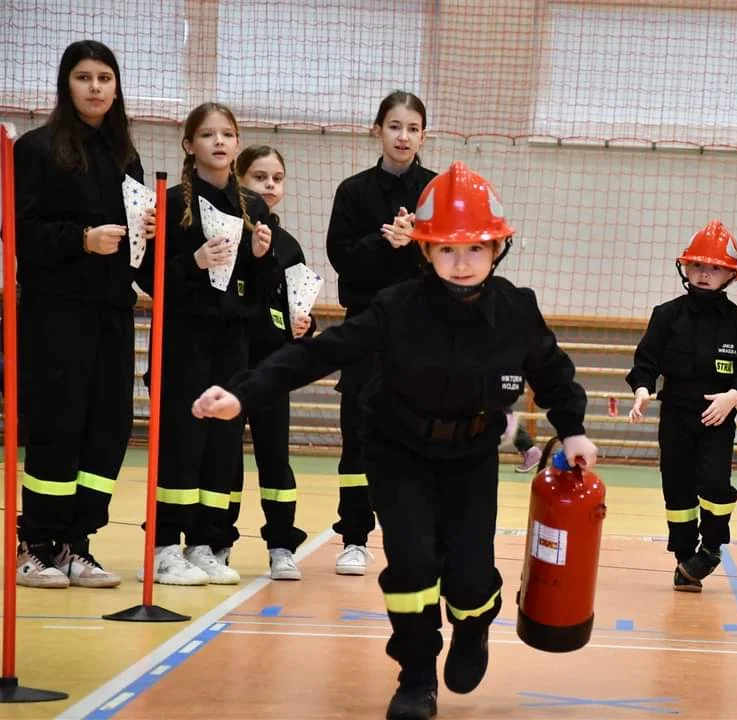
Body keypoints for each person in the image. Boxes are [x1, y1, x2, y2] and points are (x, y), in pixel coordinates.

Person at [193, 162, 597, 720]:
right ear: (425, 251)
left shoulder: (516, 310)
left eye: (476, 249)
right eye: (447, 249)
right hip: (399, 451)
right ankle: (415, 675)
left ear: (497, 248)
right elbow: (318, 353)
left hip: (471, 457)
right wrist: (244, 394)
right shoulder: (396, 308)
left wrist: (572, 428)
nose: (462, 262)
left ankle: (474, 624)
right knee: (410, 566)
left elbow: (553, 372)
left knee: (471, 576)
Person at [13, 40, 154, 588]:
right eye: (83, 77)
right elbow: (24, 235)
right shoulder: (36, 148)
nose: (95, 87)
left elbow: (141, 243)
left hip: (114, 312)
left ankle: (77, 543)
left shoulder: (126, 156)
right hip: (57, 314)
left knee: (108, 428)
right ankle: (37, 544)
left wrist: (157, 240)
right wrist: (81, 239)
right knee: (59, 424)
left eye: (104, 78)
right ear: (65, 85)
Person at [135, 103, 274, 586]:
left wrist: (259, 258)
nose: (220, 142)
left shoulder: (253, 207)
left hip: (231, 342)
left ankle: (204, 542)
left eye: (229, 134)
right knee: (182, 441)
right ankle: (161, 547)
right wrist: (192, 261)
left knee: (221, 445)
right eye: (208, 134)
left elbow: (259, 291)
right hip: (183, 340)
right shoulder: (171, 203)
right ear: (189, 145)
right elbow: (147, 278)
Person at [325, 90, 438, 576]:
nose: (403, 136)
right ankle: (354, 536)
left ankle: (420, 531)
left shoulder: (438, 191)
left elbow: (468, 256)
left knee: (424, 431)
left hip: (425, 332)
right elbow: (341, 258)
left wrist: (417, 245)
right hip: (366, 330)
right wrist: (382, 241)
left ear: (423, 135)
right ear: (378, 130)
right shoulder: (353, 192)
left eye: (413, 128)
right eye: (395, 126)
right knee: (360, 431)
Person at [626, 221, 737, 592]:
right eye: (698, 266)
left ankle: (713, 546)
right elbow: (645, 363)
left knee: (716, 485)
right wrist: (642, 389)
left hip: (717, 421)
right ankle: (685, 558)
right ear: (685, 268)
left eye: (714, 268)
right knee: (678, 491)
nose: (704, 274)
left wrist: (733, 396)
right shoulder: (666, 315)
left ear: (730, 275)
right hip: (674, 418)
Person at [227, 144, 314, 579]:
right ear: (238, 180)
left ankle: (282, 545)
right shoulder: (226, 233)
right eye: (259, 177)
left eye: (276, 178)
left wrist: (305, 325)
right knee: (222, 459)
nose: (269, 186)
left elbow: (299, 307)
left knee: (275, 459)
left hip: (271, 371)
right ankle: (216, 543)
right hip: (227, 364)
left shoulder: (290, 245)